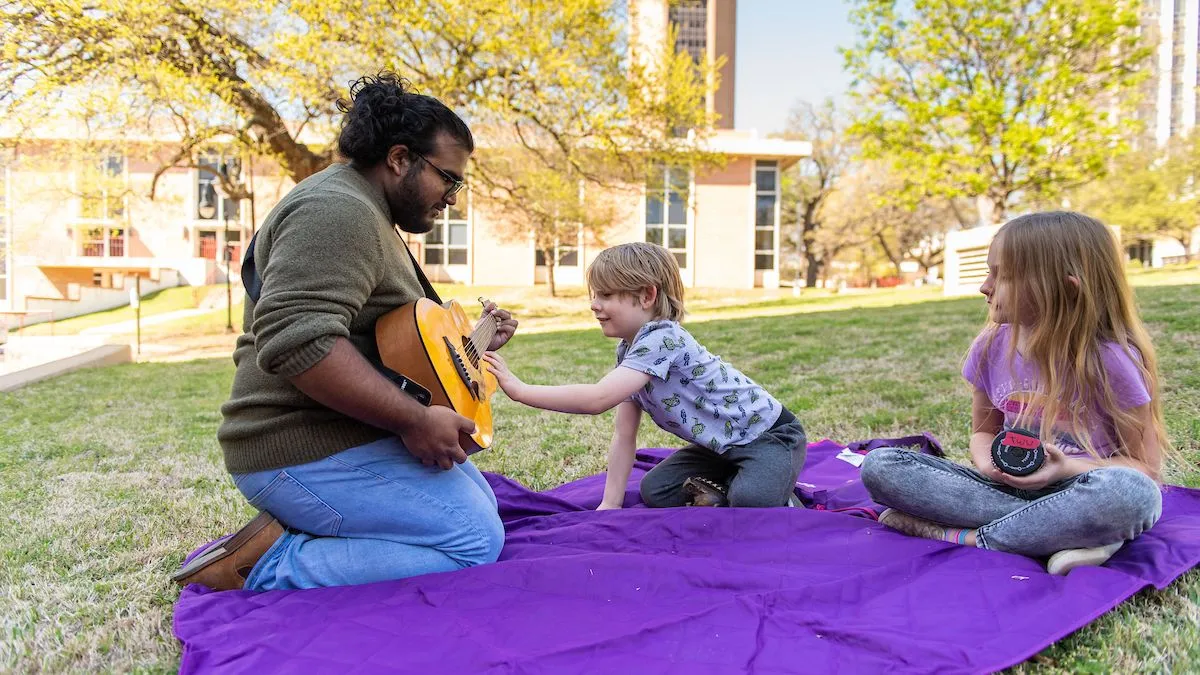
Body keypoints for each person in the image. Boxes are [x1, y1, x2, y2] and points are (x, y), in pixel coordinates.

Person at [171, 73, 518, 591]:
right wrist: (414, 420)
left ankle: (311, 530)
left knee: (481, 505)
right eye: (449, 178)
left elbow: (395, 344)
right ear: (400, 159)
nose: (452, 197)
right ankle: (264, 566)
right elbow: (300, 341)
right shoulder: (335, 211)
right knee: (472, 542)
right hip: (294, 444)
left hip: (345, 430)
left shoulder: (366, 210)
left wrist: (473, 344)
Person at [861, 211, 1167, 575]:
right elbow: (983, 433)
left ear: (1064, 289)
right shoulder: (991, 347)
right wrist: (989, 464)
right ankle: (1068, 536)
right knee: (881, 466)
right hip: (1002, 490)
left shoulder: (1111, 361)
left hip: (1079, 489)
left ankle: (968, 538)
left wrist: (1065, 468)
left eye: (1001, 275)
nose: (984, 286)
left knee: (1132, 495)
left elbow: (1143, 467)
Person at [483, 242, 807, 510]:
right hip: (720, 448)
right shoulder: (630, 351)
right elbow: (624, 435)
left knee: (751, 501)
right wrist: (610, 503)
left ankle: (776, 496)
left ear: (647, 296)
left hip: (769, 437)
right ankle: (730, 484)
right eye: (594, 295)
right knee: (657, 491)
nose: (594, 305)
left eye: (606, 295)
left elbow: (598, 399)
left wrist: (520, 389)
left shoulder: (663, 339)